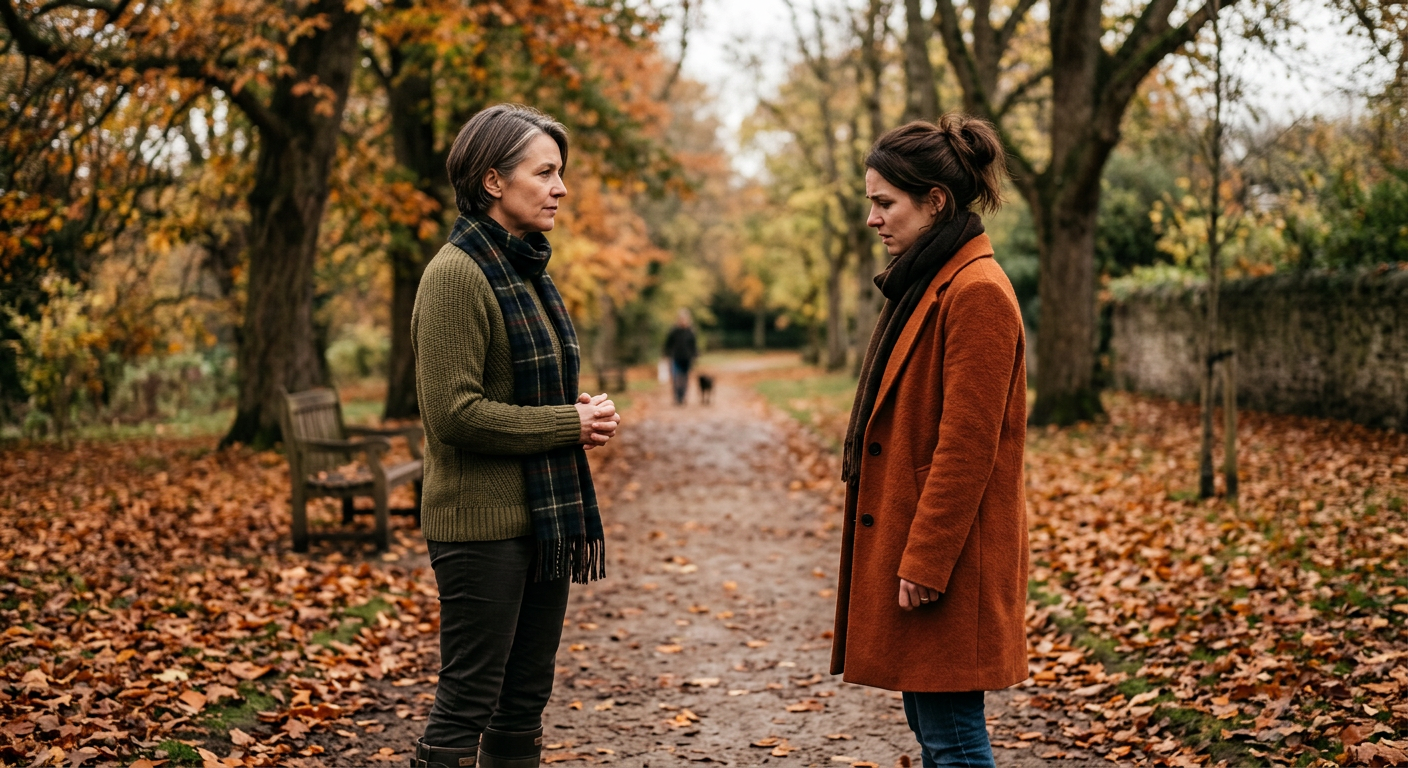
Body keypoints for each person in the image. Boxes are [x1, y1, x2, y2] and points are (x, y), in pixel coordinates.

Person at [409, 104, 621, 768]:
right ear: (493, 181)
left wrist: (574, 409)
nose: (561, 188)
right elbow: (453, 414)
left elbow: (514, 389)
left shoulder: (528, 270)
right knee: (469, 700)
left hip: (541, 516)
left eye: (562, 174)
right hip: (480, 526)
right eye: (546, 172)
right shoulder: (456, 275)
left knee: (525, 699)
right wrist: (569, 422)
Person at [830, 114, 1028, 768]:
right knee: (934, 725)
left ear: (935, 202)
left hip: (950, 556)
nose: (873, 219)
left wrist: (926, 559)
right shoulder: (931, 280)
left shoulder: (976, 292)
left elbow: (968, 447)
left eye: (884, 203)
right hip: (927, 545)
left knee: (952, 736)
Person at [662, 308, 698, 405]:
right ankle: (677, 396)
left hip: (687, 358)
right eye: (681, 319)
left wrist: (695, 355)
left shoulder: (691, 331)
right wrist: (666, 354)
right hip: (675, 357)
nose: (683, 321)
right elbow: (668, 343)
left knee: (684, 378)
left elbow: (693, 345)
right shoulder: (674, 331)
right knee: (675, 377)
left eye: (685, 319)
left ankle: (682, 396)